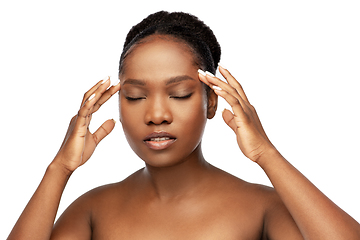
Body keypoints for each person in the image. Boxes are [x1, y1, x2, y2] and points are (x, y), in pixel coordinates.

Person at [7, 11, 360, 240]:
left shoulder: (263, 209)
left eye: (178, 94)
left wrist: (266, 154)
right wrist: (60, 168)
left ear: (211, 101)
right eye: (134, 96)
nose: (156, 114)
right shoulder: (92, 211)